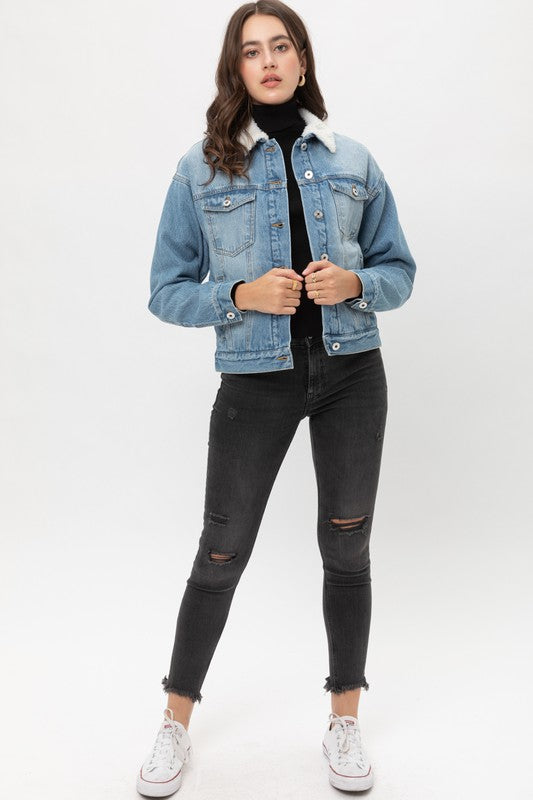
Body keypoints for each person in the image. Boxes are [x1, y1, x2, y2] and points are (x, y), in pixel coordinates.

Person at [136, 1, 416, 795]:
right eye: (251, 50)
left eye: (280, 46)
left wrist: (355, 283)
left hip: (352, 375)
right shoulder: (201, 168)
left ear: (301, 60)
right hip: (254, 381)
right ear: (235, 67)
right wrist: (239, 295)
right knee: (220, 551)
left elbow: (398, 270)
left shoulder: (353, 159)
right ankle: (173, 723)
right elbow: (164, 290)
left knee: (346, 546)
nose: (267, 61)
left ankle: (344, 719)